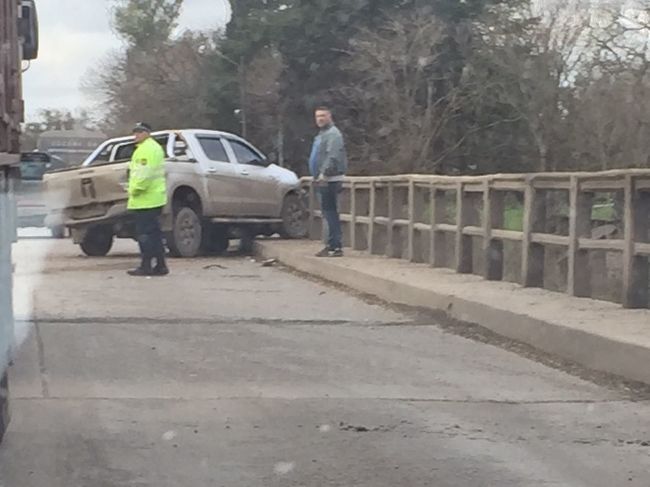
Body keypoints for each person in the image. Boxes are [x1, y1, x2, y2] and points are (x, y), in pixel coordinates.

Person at [127, 122, 169, 276]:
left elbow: (145, 173)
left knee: (145, 235)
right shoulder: (150, 148)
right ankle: (160, 265)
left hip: (146, 198)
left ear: (147, 133)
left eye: (139, 132)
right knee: (155, 234)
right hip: (152, 198)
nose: (136, 135)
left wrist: (134, 189)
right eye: (135, 132)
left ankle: (146, 265)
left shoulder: (147, 149)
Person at [308, 106, 348, 257]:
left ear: (330, 116)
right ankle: (331, 245)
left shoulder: (333, 134)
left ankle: (335, 246)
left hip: (330, 179)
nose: (320, 119)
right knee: (328, 213)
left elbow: (333, 155)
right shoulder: (322, 134)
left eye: (323, 116)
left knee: (330, 213)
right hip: (322, 179)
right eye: (317, 116)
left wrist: (324, 173)